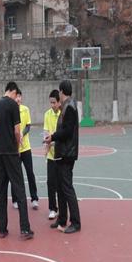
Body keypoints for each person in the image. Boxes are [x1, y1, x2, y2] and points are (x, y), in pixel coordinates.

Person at [0, 81, 34, 240]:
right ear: (13, 91)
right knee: (19, 189)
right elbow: (17, 130)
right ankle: (25, 228)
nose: (17, 98)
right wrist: (18, 145)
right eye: (17, 94)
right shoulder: (13, 105)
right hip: (10, 152)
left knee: (2, 190)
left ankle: (2, 229)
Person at [43, 80, 81, 234]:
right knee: (60, 187)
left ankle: (76, 222)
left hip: (67, 153)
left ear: (61, 92)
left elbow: (67, 132)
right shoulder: (66, 106)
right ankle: (62, 218)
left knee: (67, 188)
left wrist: (52, 137)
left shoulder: (69, 107)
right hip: (63, 153)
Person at [11, 88, 39, 211]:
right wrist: (16, 136)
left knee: (30, 173)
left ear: (21, 97)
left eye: (19, 96)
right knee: (16, 175)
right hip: (14, 149)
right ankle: (15, 199)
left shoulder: (25, 109)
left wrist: (22, 133)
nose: (18, 98)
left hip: (26, 147)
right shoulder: (10, 111)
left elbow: (28, 125)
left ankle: (34, 199)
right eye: (16, 96)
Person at [43, 89, 62, 220]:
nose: (52, 105)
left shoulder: (63, 114)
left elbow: (62, 136)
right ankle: (52, 208)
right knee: (50, 182)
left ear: (59, 102)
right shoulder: (47, 114)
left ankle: (62, 207)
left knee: (60, 183)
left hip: (61, 154)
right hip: (51, 155)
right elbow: (46, 132)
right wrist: (46, 144)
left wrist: (53, 141)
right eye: (51, 102)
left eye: (54, 102)